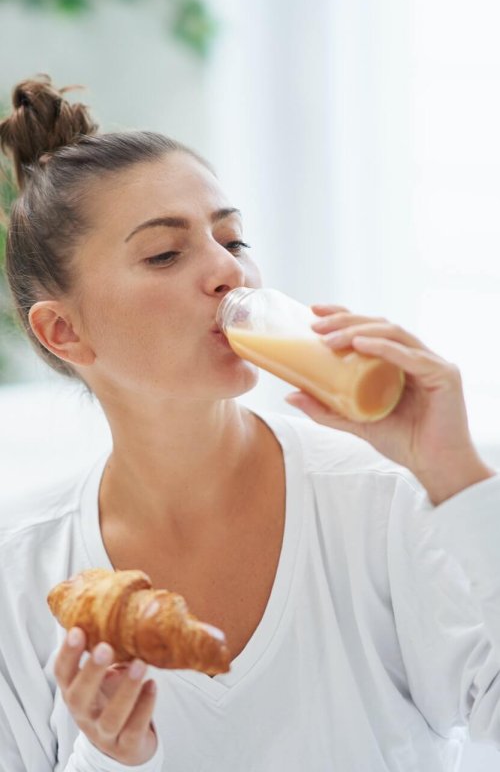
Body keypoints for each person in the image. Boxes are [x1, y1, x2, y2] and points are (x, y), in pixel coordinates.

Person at [0, 74, 498, 772]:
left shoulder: (380, 499)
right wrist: (111, 758)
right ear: (65, 332)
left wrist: (456, 475)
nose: (230, 274)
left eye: (233, 242)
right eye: (166, 253)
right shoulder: (21, 574)